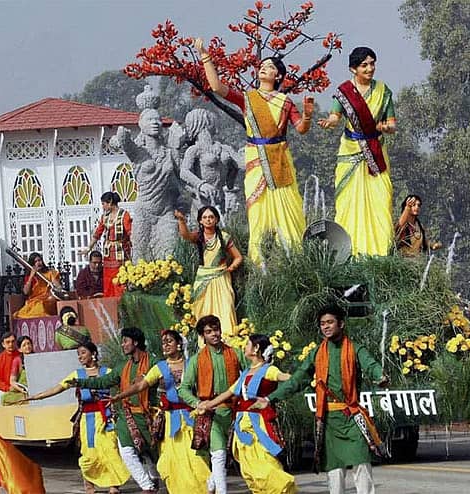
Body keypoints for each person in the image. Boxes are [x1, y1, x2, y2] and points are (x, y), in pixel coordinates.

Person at [194, 37, 313, 265]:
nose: (263, 68)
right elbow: (217, 88)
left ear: (278, 76)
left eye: (269, 67)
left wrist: (307, 116)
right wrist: (204, 55)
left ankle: (293, 262)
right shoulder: (248, 99)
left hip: (279, 160)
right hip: (256, 159)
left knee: (287, 210)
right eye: (262, 66)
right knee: (257, 212)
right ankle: (259, 264)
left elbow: (301, 129)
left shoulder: (285, 102)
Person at [253, 304, 387, 494]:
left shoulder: (355, 349)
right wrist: (270, 398)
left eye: (330, 322)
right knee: (335, 473)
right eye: (322, 323)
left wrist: (380, 376)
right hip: (329, 421)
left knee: (362, 464)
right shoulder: (317, 353)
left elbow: (371, 365)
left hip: (352, 417)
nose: (326, 327)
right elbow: (298, 380)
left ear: (341, 324)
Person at [14, 341, 129, 494]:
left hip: (106, 418)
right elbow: (58, 388)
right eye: (78, 354)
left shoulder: (108, 372)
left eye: (83, 353)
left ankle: (114, 485)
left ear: (93, 354)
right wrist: (36, 397)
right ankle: (89, 485)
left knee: (110, 450)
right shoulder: (77, 375)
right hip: (87, 418)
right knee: (89, 453)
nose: (80, 357)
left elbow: (126, 386)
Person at [110, 330, 211, 493]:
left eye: (169, 341)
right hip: (170, 421)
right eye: (163, 342)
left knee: (196, 459)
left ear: (179, 344)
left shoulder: (192, 363)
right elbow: (141, 385)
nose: (166, 345)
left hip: (190, 417)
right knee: (171, 461)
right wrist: (119, 396)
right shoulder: (160, 367)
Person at [318, 47, 396, 257]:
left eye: (372, 64)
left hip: (376, 152)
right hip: (351, 152)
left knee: (382, 199)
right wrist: (329, 122)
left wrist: (386, 128)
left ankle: (379, 254)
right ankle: (350, 252)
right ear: (353, 69)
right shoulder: (344, 92)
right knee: (348, 202)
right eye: (364, 65)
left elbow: (391, 124)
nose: (370, 68)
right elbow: (335, 117)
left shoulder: (383, 91)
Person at [199, 333, 296, 494]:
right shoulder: (246, 373)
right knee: (248, 468)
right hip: (242, 425)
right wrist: (207, 405)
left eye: (247, 344)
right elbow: (229, 392)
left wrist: (300, 378)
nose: (244, 347)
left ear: (256, 348)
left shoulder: (268, 369)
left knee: (264, 464)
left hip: (260, 424)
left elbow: (283, 377)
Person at [69, 327, 160, 493]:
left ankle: (154, 478)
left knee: (150, 452)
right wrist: (81, 382)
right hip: (128, 416)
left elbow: (146, 384)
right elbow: (103, 381)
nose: (123, 345)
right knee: (126, 451)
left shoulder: (154, 363)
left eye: (125, 341)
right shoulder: (122, 367)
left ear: (136, 342)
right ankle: (147, 486)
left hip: (149, 415)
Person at [177, 315, 247, 494]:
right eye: (209, 332)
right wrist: (198, 403)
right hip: (211, 414)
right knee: (218, 454)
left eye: (216, 329)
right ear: (203, 336)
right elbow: (183, 389)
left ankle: (212, 481)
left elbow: (250, 375)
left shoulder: (236, 353)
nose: (214, 334)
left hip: (234, 412)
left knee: (238, 454)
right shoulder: (196, 360)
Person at [174, 207, 242, 336]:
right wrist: (181, 221)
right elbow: (186, 235)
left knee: (226, 308)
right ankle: (205, 342)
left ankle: (228, 339)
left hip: (221, 279)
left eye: (211, 217)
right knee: (204, 311)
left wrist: (231, 268)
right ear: (200, 220)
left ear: (216, 219)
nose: (208, 220)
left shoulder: (224, 237)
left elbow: (238, 257)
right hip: (203, 278)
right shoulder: (199, 236)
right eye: (204, 217)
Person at [81, 192, 132, 297]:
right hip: (109, 254)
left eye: (104, 204)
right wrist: (88, 248)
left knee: (120, 278)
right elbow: (97, 233)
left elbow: (130, 232)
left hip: (120, 253)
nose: (103, 206)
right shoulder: (105, 217)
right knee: (108, 279)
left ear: (110, 203)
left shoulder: (124, 215)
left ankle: (121, 301)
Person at [13, 252, 63, 319]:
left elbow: (59, 287)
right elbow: (26, 292)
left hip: (49, 300)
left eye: (39, 260)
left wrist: (53, 281)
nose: (38, 263)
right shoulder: (30, 276)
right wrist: (31, 276)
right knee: (37, 306)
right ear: (32, 264)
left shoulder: (50, 273)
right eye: (35, 261)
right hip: (35, 302)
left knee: (45, 304)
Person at [0, 332, 21, 404]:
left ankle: (10, 400)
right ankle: (10, 400)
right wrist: (8, 388)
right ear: (3, 344)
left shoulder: (21, 356)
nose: (10, 344)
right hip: (6, 390)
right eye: (8, 342)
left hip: (20, 389)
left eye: (13, 341)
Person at [1, 335, 33, 405]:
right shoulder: (17, 360)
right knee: (5, 398)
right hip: (22, 391)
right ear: (19, 349)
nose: (27, 346)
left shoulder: (37, 358)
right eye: (24, 345)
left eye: (28, 344)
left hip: (35, 389)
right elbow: (12, 381)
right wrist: (22, 390)